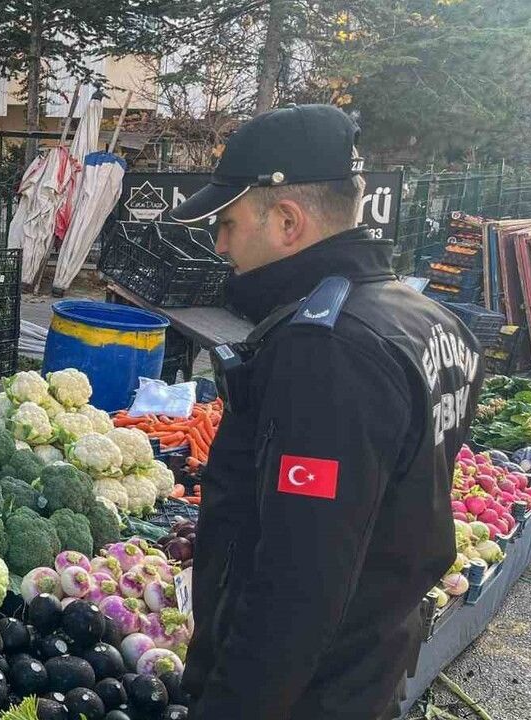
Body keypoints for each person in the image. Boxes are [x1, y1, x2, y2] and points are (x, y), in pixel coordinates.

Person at [170, 105, 483, 720]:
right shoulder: (427, 319)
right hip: (372, 665)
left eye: (228, 224)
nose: (220, 245)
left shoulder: (329, 351)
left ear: (287, 221)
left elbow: (298, 584)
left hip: (308, 694)